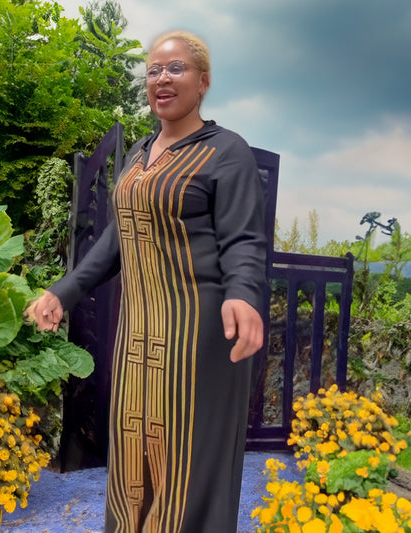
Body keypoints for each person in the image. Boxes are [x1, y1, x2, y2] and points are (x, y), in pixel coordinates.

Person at [28, 30, 267, 533]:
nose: (162, 78)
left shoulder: (227, 152)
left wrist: (244, 296)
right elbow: (117, 241)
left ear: (203, 82)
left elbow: (244, 239)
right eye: (154, 70)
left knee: (187, 460)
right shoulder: (138, 155)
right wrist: (62, 292)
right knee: (136, 450)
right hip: (139, 337)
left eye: (176, 68)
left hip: (198, 334)